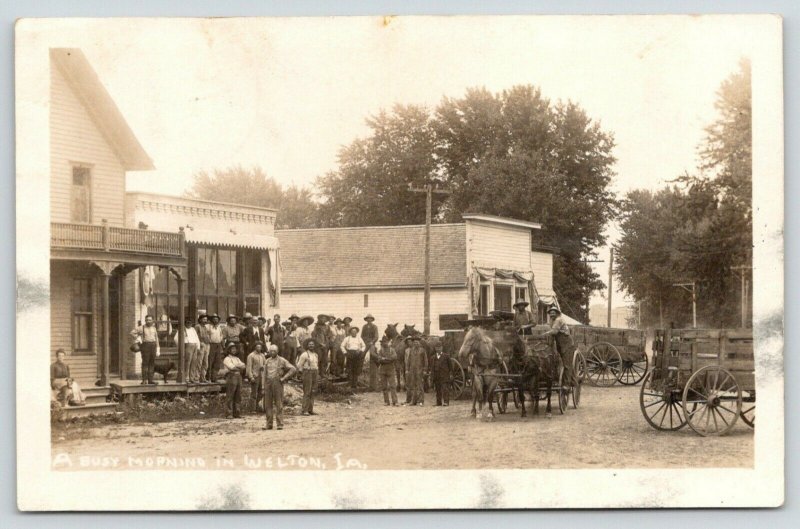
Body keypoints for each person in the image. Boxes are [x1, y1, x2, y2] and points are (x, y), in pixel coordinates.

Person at [262, 344, 296, 430]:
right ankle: (269, 424)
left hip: (277, 383)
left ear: (277, 351)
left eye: (274, 351)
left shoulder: (282, 360)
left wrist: (284, 378)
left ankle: (280, 424)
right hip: (268, 383)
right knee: (268, 405)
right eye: (271, 351)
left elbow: (293, 369)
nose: (272, 352)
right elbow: (264, 374)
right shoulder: (267, 361)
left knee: (279, 404)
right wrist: (263, 386)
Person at [543, 306, 576, 386]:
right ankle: (571, 380)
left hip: (566, 342)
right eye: (550, 313)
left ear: (557, 313)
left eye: (553, 313)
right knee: (559, 362)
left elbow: (554, 331)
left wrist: (545, 334)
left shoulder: (558, 320)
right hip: (559, 343)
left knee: (567, 364)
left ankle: (567, 384)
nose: (552, 314)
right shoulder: (552, 320)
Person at [130, 314, 160, 385]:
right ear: (145, 320)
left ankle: (150, 380)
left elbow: (156, 339)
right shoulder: (141, 327)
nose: (148, 321)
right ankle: (144, 380)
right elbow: (132, 333)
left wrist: (158, 349)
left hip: (153, 346)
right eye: (147, 320)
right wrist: (138, 338)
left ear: (152, 320)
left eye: (150, 320)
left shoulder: (154, 328)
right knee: (145, 363)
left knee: (152, 363)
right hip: (145, 346)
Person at [222, 342, 246, 418]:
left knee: (238, 395)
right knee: (230, 395)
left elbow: (244, 366)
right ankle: (229, 413)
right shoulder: (227, 359)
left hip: (238, 376)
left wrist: (238, 366)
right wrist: (239, 366)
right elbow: (232, 367)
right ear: (229, 350)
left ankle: (237, 412)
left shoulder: (237, 358)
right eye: (232, 349)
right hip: (231, 377)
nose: (234, 350)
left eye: (235, 349)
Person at [296, 338, 320, 416]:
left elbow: (316, 365)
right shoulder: (305, 354)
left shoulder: (316, 355)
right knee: (307, 391)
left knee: (313, 391)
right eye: (310, 345)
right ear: (307, 346)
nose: (311, 346)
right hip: (307, 372)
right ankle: (304, 410)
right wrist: (301, 373)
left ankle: (310, 409)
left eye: (312, 345)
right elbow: (299, 365)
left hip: (315, 372)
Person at [174, 318, 201, 383]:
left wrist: (198, 346)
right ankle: (186, 378)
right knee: (187, 362)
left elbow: (196, 338)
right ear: (185, 323)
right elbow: (175, 338)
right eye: (187, 322)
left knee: (194, 362)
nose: (189, 324)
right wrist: (181, 346)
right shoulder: (182, 329)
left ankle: (192, 378)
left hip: (194, 346)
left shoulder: (193, 329)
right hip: (187, 345)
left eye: (190, 322)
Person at [374, 336, 398, 406]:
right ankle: (386, 401)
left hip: (391, 370)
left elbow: (394, 357)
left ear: (388, 342)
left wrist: (385, 359)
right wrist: (387, 360)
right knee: (384, 387)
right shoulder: (380, 351)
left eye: (386, 342)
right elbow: (379, 359)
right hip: (383, 370)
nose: (385, 343)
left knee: (393, 386)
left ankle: (395, 401)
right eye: (383, 342)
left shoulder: (392, 350)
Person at [404, 336, 428, 406]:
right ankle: (413, 401)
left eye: (417, 342)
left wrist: (425, 370)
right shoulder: (411, 350)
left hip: (419, 370)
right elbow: (408, 361)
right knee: (413, 386)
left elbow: (426, 361)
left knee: (420, 386)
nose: (416, 343)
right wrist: (407, 369)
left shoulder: (422, 350)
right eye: (414, 342)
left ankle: (421, 401)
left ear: (419, 343)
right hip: (412, 371)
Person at [361, 314, 379, 391]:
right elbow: (362, 336)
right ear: (366, 319)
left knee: (373, 356)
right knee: (361, 354)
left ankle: (376, 365)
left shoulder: (374, 327)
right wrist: (365, 341)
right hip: (365, 343)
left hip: (372, 343)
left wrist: (372, 342)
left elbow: (376, 336)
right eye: (367, 318)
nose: (369, 320)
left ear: (372, 319)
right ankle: (360, 369)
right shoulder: (364, 327)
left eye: (370, 319)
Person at [207, 314, 224, 382]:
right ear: (211, 320)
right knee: (210, 361)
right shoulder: (209, 327)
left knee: (217, 362)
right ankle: (208, 377)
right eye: (214, 319)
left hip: (218, 345)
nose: (215, 320)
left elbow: (221, 337)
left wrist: (223, 346)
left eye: (216, 319)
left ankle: (214, 377)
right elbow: (207, 336)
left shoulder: (219, 327)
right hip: (211, 345)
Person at [194, 312, 211, 383]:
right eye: (204, 319)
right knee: (199, 362)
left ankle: (203, 378)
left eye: (206, 319)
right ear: (200, 320)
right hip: (201, 345)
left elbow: (209, 335)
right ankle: (196, 378)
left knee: (205, 362)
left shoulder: (206, 327)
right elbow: (195, 336)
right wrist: (200, 343)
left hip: (207, 345)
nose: (205, 320)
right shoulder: (197, 326)